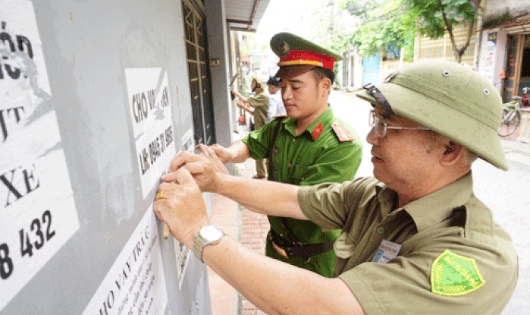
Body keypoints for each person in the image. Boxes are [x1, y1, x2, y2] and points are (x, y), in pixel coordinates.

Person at [154, 59, 518, 314]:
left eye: (389, 126)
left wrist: (198, 231)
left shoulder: (476, 258)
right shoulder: (378, 196)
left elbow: (323, 307)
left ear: (449, 149)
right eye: (377, 120)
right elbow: (294, 198)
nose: (372, 136)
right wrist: (216, 181)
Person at [209, 32, 363, 277]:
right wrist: (226, 154)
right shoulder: (280, 127)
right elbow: (250, 144)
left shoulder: (341, 144)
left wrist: (218, 183)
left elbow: (297, 203)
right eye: (283, 86)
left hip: (316, 263)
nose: (286, 95)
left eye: (296, 86)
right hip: (276, 251)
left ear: (325, 86)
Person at [231, 76, 270, 179]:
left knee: (265, 153)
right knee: (259, 151)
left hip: (264, 129)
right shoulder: (259, 97)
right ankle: (261, 173)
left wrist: (236, 93)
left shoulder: (262, 96)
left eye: (253, 83)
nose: (251, 85)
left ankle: (266, 175)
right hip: (260, 129)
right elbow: (254, 113)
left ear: (258, 85)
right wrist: (243, 107)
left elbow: (246, 100)